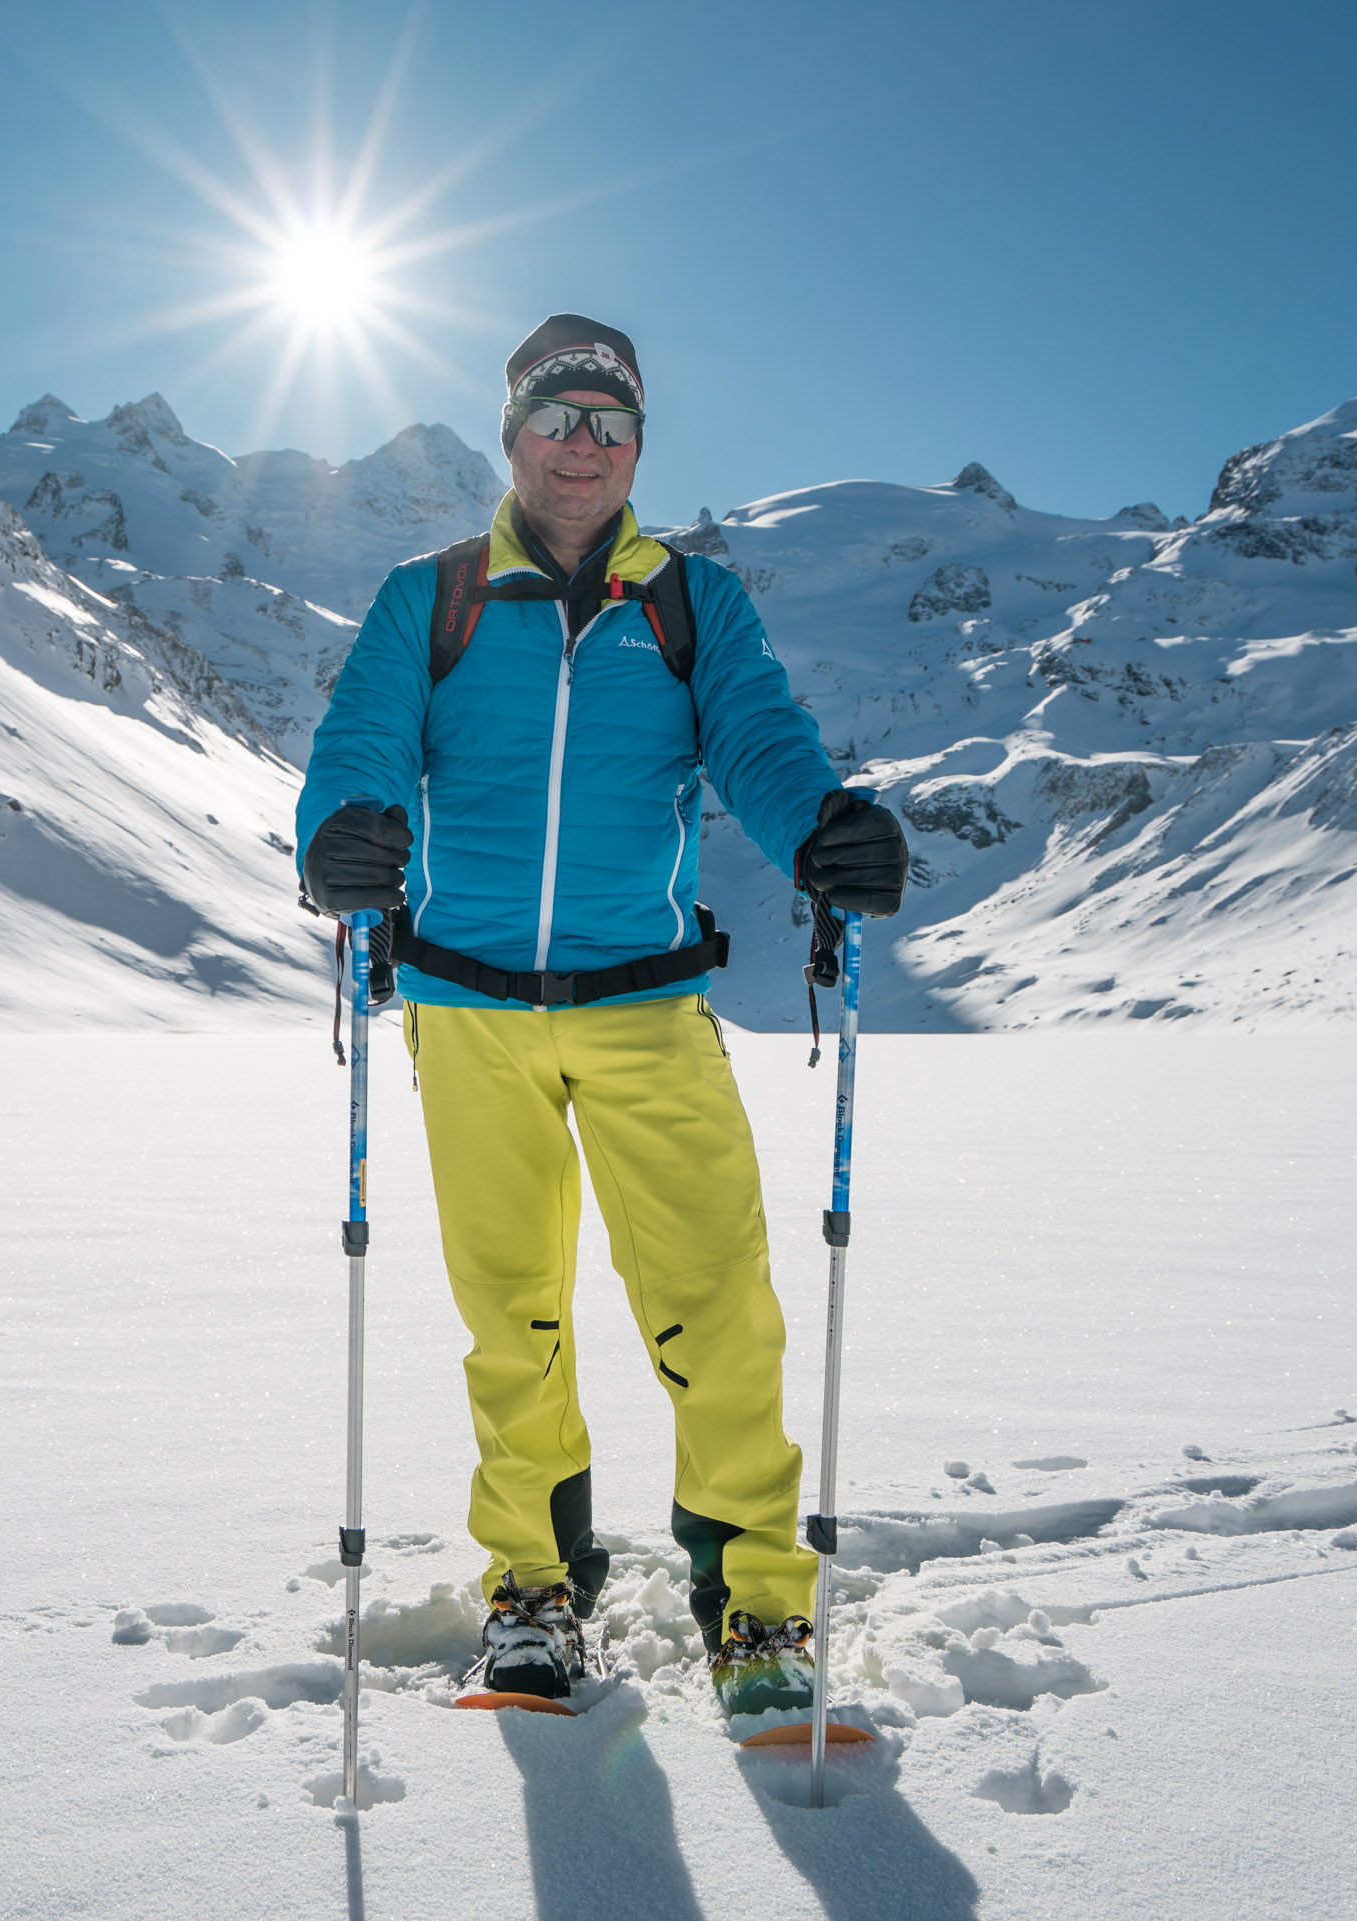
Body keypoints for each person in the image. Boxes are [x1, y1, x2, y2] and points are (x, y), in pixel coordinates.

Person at [295, 314, 907, 1717]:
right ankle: (533, 1586)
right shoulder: (434, 597)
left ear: (639, 445)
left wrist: (819, 829)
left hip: (648, 1005)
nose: (584, 447)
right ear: (510, 435)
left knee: (718, 1309)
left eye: (610, 424)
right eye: (559, 419)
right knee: (514, 1318)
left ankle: (751, 1598)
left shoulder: (692, 605)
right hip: (469, 1009)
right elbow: (362, 741)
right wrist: (339, 837)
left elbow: (754, 732)